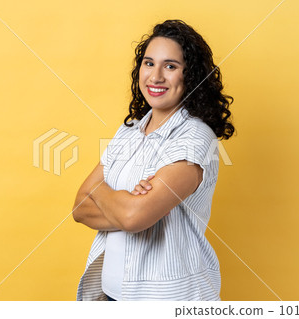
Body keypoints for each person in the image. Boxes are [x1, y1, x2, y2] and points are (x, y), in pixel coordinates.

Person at [72, 19, 235, 301]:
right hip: (110, 297)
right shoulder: (129, 131)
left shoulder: (195, 137)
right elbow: (79, 208)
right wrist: (125, 201)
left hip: (169, 300)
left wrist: (102, 193)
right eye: (149, 63)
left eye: (170, 66)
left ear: (191, 75)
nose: (156, 76)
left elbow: (135, 217)